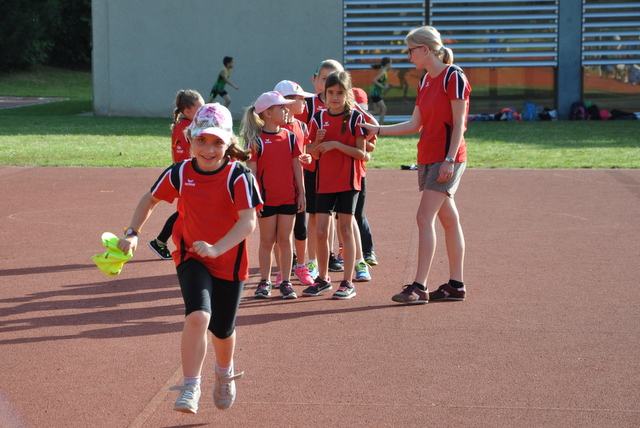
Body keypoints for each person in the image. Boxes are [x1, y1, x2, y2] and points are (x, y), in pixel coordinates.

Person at [117, 103, 262, 413]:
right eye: (202, 140)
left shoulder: (239, 176)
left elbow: (248, 222)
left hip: (229, 261)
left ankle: (224, 373)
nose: (209, 149)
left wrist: (217, 248)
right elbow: (150, 200)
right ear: (190, 139)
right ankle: (190, 387)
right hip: (190, 255)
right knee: (198, 316)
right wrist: (131, 233)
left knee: (222, 331)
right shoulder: (180, 172)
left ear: (229, 142)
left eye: (217, 142)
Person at [359, 26, 471, 305]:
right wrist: (377, 129)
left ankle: (419, 287)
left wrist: (449, 159)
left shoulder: (453, 76)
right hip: (427, 157)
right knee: (449, 219)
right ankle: (456, 285)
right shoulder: (425, 81)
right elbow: (414, 124)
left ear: (425, 49)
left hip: (447, 158)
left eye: (410, 51)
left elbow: (460, 123)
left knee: (424, 217)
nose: (408, 56)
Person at [303, 70, 367, 300]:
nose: (334, 97)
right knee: (320, 232)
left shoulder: (355, 118)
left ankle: (348, 282)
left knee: (345, 230)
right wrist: (318, 143)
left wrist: (336, 145)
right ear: (325, 93)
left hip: (348, 181)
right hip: (324, 182)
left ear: (347, 93)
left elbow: (363, 154)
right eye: (330, 92)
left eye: (339, 93)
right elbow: (311, 152)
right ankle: (323, 279)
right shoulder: (318, 118)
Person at [242, 91, 305, 299]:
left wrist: (301, 193)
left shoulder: (290, 137)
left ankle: (286, 282)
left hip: (288, 198)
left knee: (285, 240)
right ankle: (264, 281)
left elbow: (297, 167)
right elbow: (251, 173)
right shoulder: (256, 141)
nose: (286, 110)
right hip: (266, 200)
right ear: (267, 113)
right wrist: (255, 200)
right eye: (281, 107)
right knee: (267, 240)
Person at [148, 89, 204, 260]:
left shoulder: (180, 125)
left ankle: (165, 242)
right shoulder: (190, 128)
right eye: (199, 109)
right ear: (187, 112)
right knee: (186, 212)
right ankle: (160, 241)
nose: (202, 112)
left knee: (188, 212)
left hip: (183, 174)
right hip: (189, 176)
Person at [273, 80, 316, 287]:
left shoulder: (302, 126)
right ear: (288, 102)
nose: (305, 103)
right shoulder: (273, 128)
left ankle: (300, 266)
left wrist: (306, 158)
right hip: (278, 188)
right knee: (279, 233)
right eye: (301, 99)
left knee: (300, 229)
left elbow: (303, 155)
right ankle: (282, 270)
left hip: (298, 187)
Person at [369, 57, 393, 124]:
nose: (391, 65)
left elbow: (380, 83)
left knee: (376, 111)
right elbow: (374, 80)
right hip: (375, 93)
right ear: (387, 64)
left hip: (376, 93)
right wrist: (383, 87)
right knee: (384, 109)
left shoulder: (384, 72)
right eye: (391, 63)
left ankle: (361, 112)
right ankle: (380, 126)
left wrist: (387, 85)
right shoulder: (383, 72)